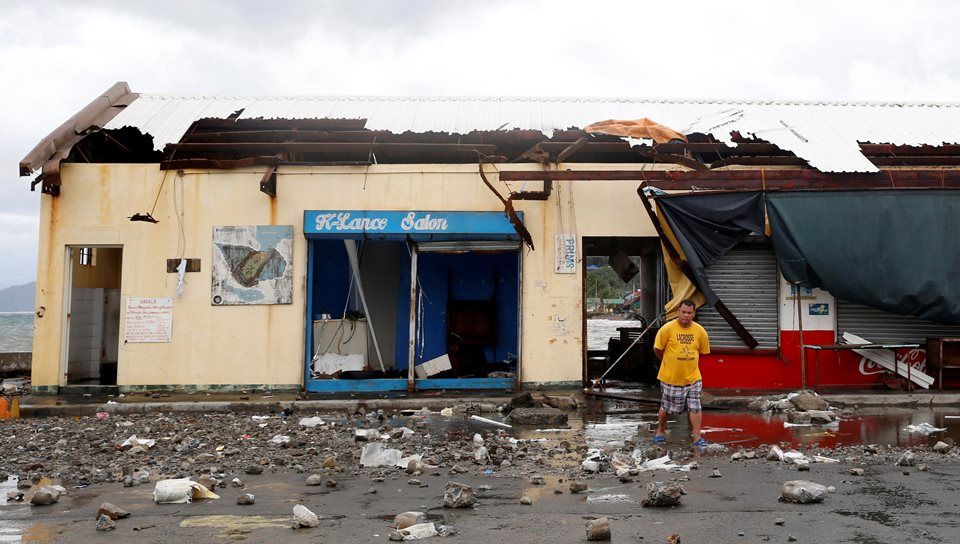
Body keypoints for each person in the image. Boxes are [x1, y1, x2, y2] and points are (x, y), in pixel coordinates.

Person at [652, 299, 710, 448]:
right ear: (678, 311)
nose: (686, 315)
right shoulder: (667, 329)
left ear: (694, 313)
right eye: (683, 312)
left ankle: (697, 437)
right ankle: (660, 432)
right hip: (670, 377)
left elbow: (703, 352)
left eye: (689, 313)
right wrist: (667, 361)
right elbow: (657, 349)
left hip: (693, 378)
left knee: (695, 407)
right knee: (667, 407)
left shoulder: (700, 331)